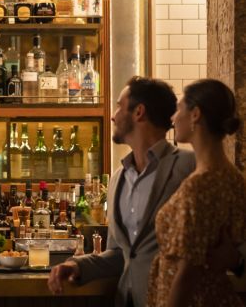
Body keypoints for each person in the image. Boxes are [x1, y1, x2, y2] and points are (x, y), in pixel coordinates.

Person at [47, 76, 242, 307]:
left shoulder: (192, 168)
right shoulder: (118, 177)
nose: (113, 115)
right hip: (130, 298)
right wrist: (77, 265)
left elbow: (230, 235)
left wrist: (237, 259)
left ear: (139, 112)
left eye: (119, 106)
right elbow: (122, 253)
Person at [147, 79, 245, 307]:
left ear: (195, 115)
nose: (172, 119)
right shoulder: (232, 177)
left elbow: (187, 270)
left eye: (179, 109)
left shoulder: (200, 185)